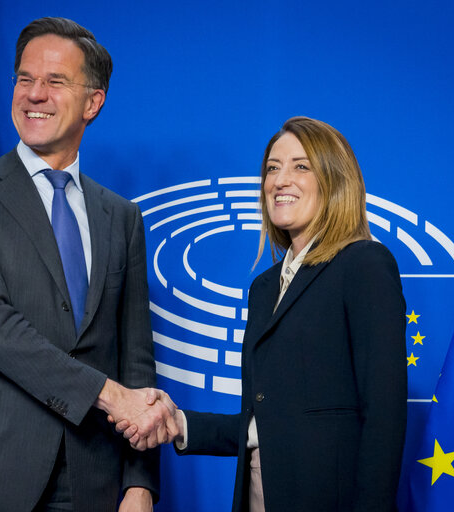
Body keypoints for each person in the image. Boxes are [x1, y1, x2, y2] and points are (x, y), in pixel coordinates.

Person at [0, 17, 176, 512]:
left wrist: (140, 484)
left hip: (91, 477)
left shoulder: (121, 217)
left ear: (93, 103)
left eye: (55, 82)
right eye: (25, 79)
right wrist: (112, 397)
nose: (35, 94)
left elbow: (135, 356)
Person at [122, 116, 407, 511]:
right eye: (273, 168)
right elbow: (270, 421)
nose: (280, 180)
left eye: (300, 166)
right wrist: (181, 424)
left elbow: (385, 415)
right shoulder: (264, 289)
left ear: (336, 179)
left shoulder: (364, 264)